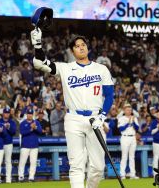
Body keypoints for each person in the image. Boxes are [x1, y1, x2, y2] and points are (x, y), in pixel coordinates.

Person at [31, 28, 114, 188]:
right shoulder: (65, 68)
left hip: (95, 118)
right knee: (76, 164)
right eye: (77, 46)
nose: (81, 47)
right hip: (73, 119)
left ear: (87, 48)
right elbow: (41, 62)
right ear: (72, 51)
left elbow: (110, 95)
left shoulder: (101, 68)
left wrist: (102, 117)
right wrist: (37, 45)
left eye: (83, 44)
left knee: (98, 166)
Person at [18, 109, 42, 182]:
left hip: (34, 146)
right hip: (25, 145)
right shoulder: (23, 123)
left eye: (31, 114)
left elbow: (40, 131)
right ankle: (21, 176)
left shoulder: (36, 122)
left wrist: (35, 128)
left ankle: (31, 177)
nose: (30, 115)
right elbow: (22, 132)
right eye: (28, 114)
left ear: (33, 115)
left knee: (33, 162)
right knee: (22, 162)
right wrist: (31, 129)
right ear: (26, 115)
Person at [118, 104, 140, 179]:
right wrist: (128, 122)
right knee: (124, 156)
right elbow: (121, 129)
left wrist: (133, 121)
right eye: (127, 110)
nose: (129, 111)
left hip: (133, 137)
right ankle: (122, 174)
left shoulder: (134, 118)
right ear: (124, 111)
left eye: (130, 110)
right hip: (125, 137)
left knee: (132, 157)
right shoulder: (121, 118)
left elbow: (137, 128)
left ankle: (132, 174)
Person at [0, 107, 17, 183]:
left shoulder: (12, 122)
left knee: (8, 161)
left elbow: (13, 132)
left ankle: (8, 178)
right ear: (3, 113)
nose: (6, 114)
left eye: (8, 113)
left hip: (8, 143)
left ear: (9, 114)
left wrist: (8, 127)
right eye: (5, 113)